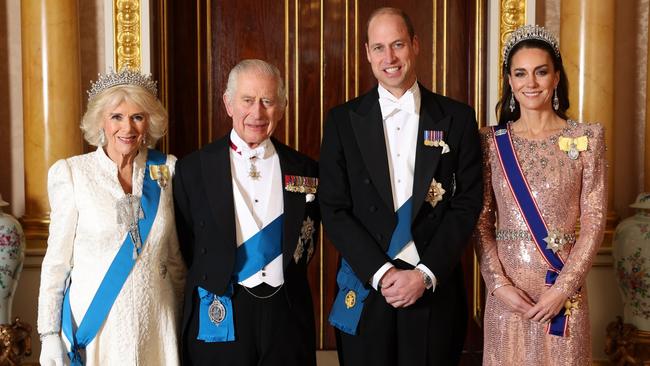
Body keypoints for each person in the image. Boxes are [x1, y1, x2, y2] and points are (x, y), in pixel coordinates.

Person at [319, 7, 483, 365]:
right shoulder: (342, 121)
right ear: (367, 53)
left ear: (415, 45)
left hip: (432, 288)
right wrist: (383, 273)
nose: (389, 58)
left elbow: (467, 203)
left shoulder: (456, 117)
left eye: (397, 45)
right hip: (366, 286)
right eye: (379, 48)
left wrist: (424, 275)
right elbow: (333, 208)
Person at [474, 24, 607, 365]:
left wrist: (564, 288)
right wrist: (498, 283)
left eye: (540, 72)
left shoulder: (587, 137)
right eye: (520, 73)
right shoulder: (490, 142)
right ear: (509, 81)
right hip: (508, 295)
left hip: (562, 292)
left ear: (556, 77)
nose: (530, 83)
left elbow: (594, 222)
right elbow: (481, 221)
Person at [173, 59, 319, 366]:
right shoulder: (192, 169)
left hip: (286, 314)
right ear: (228, 103)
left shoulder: (305, 169)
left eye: (267, 101)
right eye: (248, 100)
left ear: (282, 106)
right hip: (221, 307)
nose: (257, 112)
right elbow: (187, 246)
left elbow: (308, 241)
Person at [37, 69, 186, 366]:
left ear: (149, 122)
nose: (127, 128)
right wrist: (49, 333)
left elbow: (174, 259)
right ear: (101, 122)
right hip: (96, 325)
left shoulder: (167, 171)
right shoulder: (72, 174)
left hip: (157, 322)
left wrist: (185, 324)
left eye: (137, 117)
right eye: (117, 116)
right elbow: (56, 263)